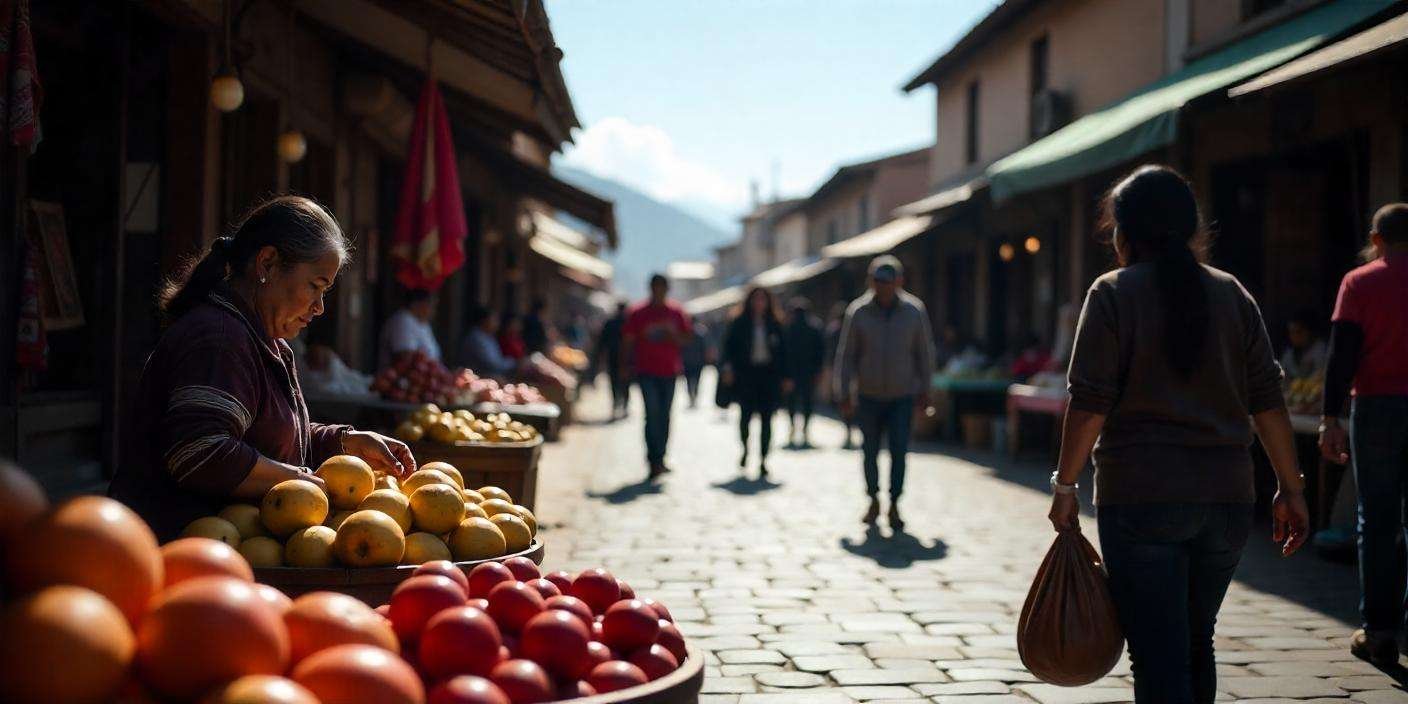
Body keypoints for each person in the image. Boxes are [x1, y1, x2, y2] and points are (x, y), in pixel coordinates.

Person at [1048, 166, 1310, 702]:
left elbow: (1090, 402)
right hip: (1228, 499)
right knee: (1196, 643)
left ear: (1124, 233)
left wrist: (1065, 485)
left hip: (1141, 498)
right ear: (1191, 228)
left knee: (1158, 655)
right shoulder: (1231, 293)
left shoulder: (1113, 292)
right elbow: (1268, 400)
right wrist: (1292, 487)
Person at [109, 196, 415, 540]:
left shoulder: (264, 340)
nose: (319, 307)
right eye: (316, 286)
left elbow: (271, 438)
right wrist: (301, 479)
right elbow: (199, 451)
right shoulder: (219, 337)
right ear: (267, 264)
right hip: (181, 550)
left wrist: (344, 441)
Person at [1319, 202, 1408, 666]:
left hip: (1376, 407)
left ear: (1377, 239)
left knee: (1376, 520)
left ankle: (1379, 632)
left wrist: (1330, 419)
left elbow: (1342, 356)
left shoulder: (1360, 281)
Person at [834, 255, 935, 529]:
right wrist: (843, 393)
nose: (883, 287)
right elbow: (846, 355)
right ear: (871, 282)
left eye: (888, 282)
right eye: (878, 282)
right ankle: (873, 498)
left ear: (899, 282)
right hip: (868, 395)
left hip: (902, 395)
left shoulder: (914, 311)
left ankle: (894, 502)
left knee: (899, 450)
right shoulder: (859, 312)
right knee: (869, 451)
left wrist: (926, 391)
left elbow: (924, 355)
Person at [622, 274, 692, 480]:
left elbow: (687, 338)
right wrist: (625, 365)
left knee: (665, 415)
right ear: (651, 288)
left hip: (669, 371)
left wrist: (673, 335)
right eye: (656, 288)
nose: (659, 292)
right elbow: (628, 340)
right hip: (646, 371)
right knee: (651, 414)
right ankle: (652, 459)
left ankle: (661, 456)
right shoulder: (638, 313)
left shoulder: (676, 312)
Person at [721, 287, 792, 479]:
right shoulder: (739, 323)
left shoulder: (775, 324)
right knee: (745, 418)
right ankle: (745, 449)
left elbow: (784, 352)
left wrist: (786, 376)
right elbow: (728, 348)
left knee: (767, 420)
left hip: (768, 378)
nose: (759, 303)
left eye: (763, 299)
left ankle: (763, 458)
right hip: (746, 377)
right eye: (756, 299)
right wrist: (727, 368)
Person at [782, 298, 824, 448]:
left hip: (793, 373)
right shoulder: (814, 328)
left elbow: (783, 353)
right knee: (807, 402)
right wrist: (818, 371)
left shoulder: (788, 329)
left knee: (792, 402)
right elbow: (820, 352)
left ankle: (794, 426)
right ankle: (805, 428)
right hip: (808, 372)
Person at [378, 289, 440, 369]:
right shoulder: (403, 320)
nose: (433, 311)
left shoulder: (424, 324)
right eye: (431, 305)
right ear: (418, 304)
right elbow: (405, 358)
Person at [824, 302, 858, 449]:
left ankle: (849, 428)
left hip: (842, 370)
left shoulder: (835, 330)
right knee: (846, 400)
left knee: (844, 400)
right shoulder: (837, 330)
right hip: (850, 371)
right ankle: (849, 428)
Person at [594, 302, 629, 420]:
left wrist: (599, 357)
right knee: (624, 383)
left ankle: (617, 405)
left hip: (615, 357)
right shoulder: (627, 322)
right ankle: (624, 406)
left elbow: (602, 341)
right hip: (624, 358)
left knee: (615, 382)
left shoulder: (612, 322)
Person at [460, 305, 518, 377]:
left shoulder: (488, 336)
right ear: (484, 320)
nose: (497, 323)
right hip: (479, 379)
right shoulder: (477, 338)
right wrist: (516, 363)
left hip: (493, 376)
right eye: (494, 319)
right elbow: (493, 365)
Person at [1280, 309, 1328, 381]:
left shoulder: (1321, 350)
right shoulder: (1289, 355)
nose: (1294, 336)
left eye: (1298, 332)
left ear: (1309, 331)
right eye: (1291, 332)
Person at [680, 320, 710, 409]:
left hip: (689, 361)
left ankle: (692, 396)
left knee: (689, 380)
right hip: (696, 361)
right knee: (696, 380)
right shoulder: (700, 333)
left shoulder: (687, 333)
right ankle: (694, 396)